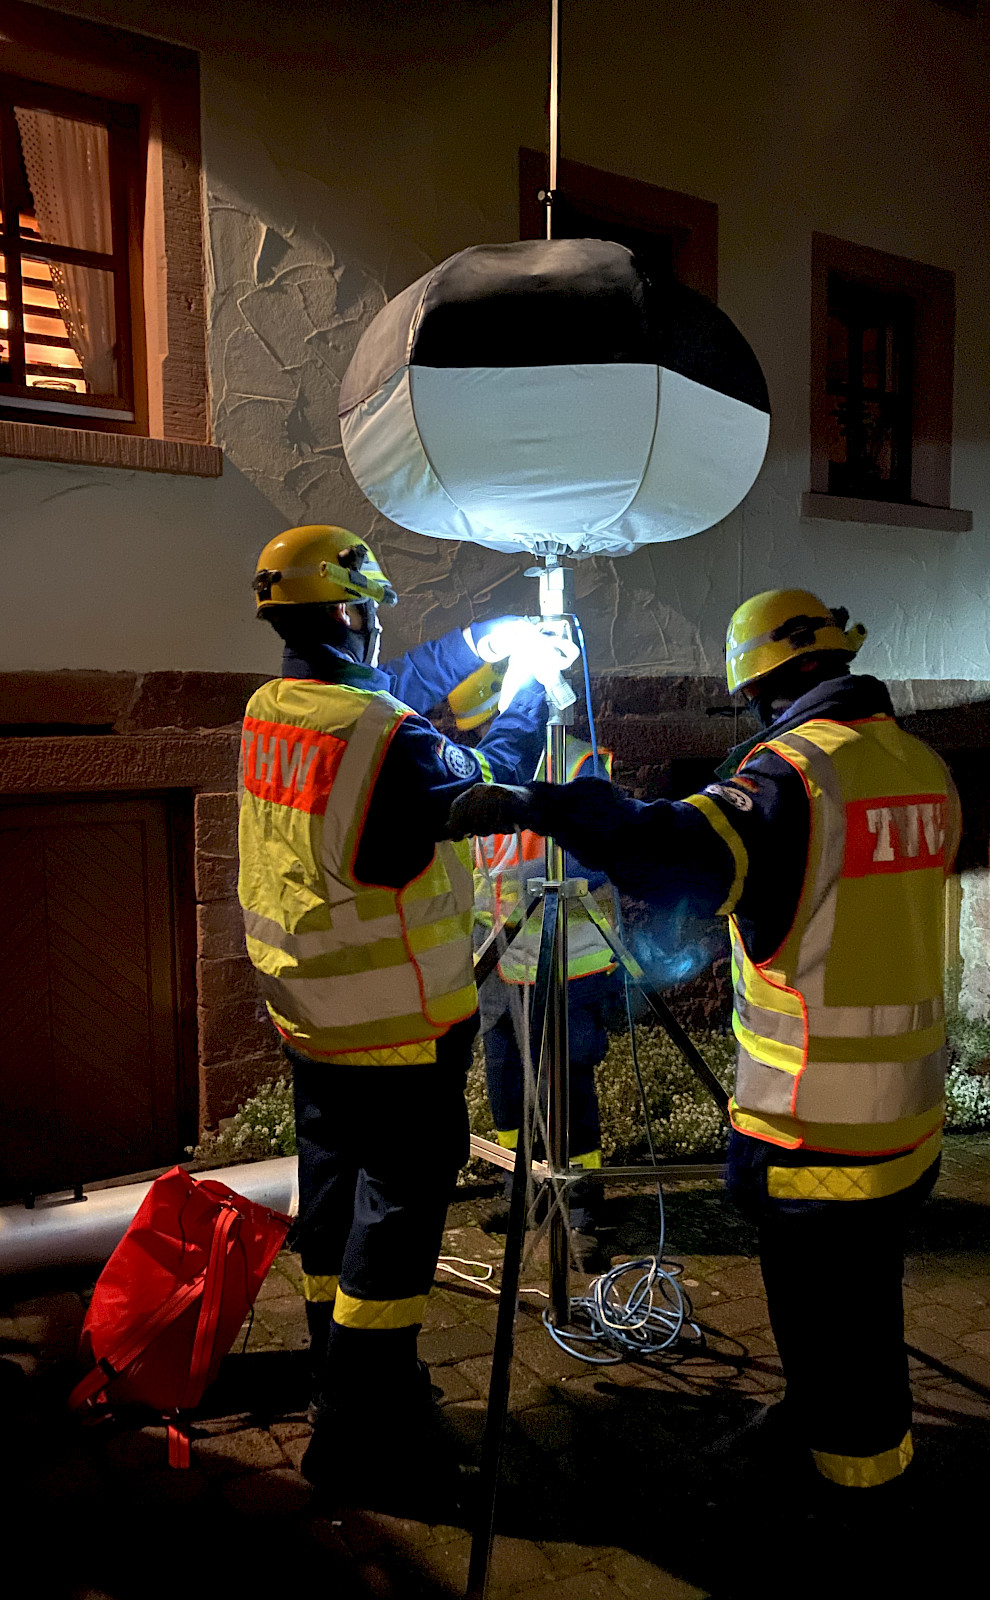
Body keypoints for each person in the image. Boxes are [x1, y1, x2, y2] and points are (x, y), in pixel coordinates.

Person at [447, 587, 961, 1503]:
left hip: (816, 1119)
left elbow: (677, 848)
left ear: (758, 682)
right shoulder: (921, 764)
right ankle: (833, 1428)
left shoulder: (792, 776)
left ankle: (856, 1485)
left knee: (829, 1314)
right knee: (864, 1296)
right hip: (909, 1109)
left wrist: (563, 807)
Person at [237, 523, 554, 1505]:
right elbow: (490, 787)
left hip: (306, 1011)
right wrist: (532, 691)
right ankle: (362, 1424)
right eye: (372, 611)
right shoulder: (392, 745)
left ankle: (334, 1363)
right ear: (348, 613)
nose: (380, 629)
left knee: (330, 1195)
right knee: (399, 1213)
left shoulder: (276, 706)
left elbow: (390, 696)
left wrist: (482, 643)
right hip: (397, 1025)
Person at [449, 666, 619, 1262]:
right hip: (497, 965)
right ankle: (520, 1189)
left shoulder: (577, 766)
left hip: (567, 963)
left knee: (566, 1088)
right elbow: (475, 874)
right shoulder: (483, 776)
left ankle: (580, 1204)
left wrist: (537, 881)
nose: (480, 744)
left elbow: (605, 856)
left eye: (487, 727)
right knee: (507, 1088)